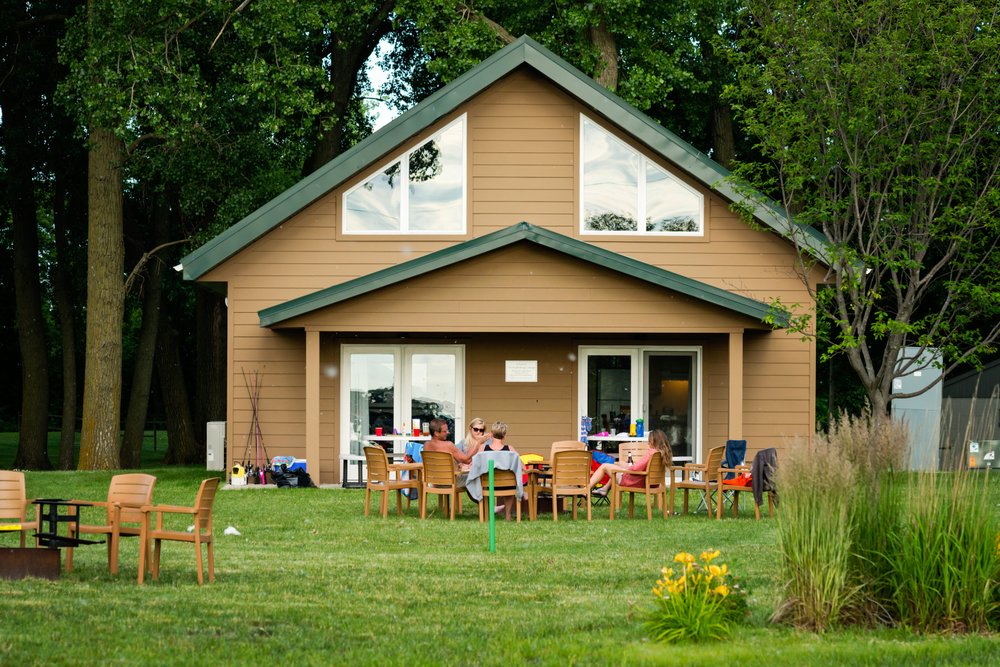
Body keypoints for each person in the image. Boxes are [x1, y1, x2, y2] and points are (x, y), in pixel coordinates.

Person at [588, 429, 672, 496]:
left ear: (653, 441)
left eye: (649, 440)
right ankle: (605, 489)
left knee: (605, 466)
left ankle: (586, 490)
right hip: (647, 482)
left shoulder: (651, 452)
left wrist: (626, 468)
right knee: (618, 465)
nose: (648, 442)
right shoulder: (660, 454)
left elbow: (635, 468)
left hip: (633, 482)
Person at [423, 417, 477, 490]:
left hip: (434, 482)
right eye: (444, 431)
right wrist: (478, 444)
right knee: (478, 477)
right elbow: (466, 460)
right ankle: (482, 501)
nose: (448, 432)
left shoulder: (426, 445)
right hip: (451, 482)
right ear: (436, 433)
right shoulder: (448, 445)